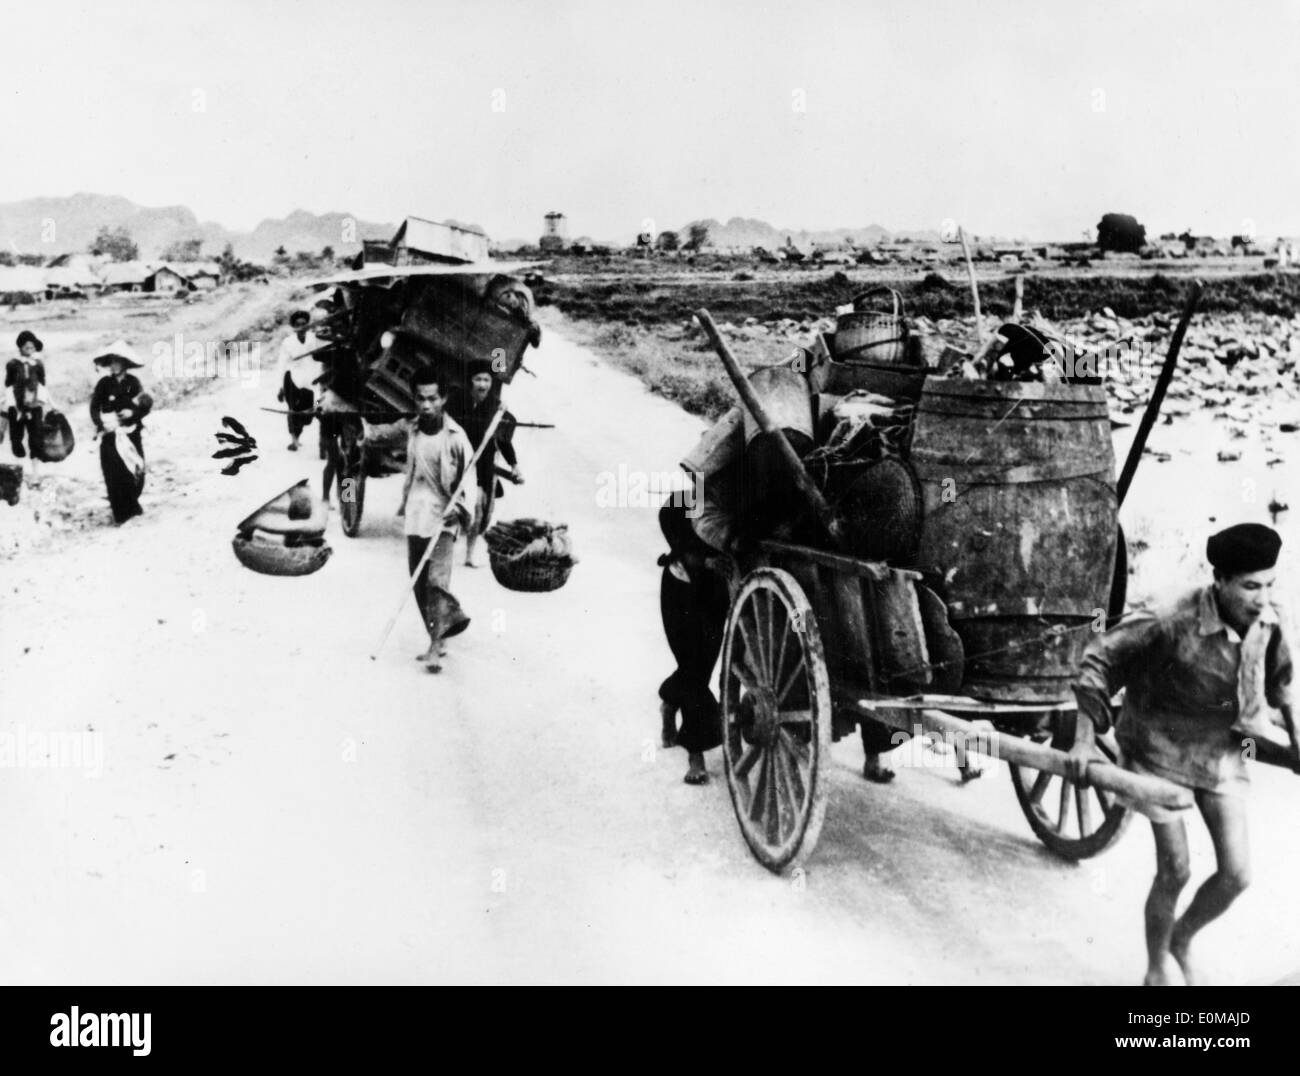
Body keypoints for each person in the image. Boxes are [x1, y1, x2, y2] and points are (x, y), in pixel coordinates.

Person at [1068, 522, 1297, 986]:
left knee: (1237, 874)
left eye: (1270, 584)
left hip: (1221, 748)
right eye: (1250, 586)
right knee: (1175, 868)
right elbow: (1099, 662)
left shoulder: (1271, 619)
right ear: (1220, 581)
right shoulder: (1170, 616)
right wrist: (1082, 742)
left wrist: (1296, 744)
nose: (1262, 597)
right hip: (1157, 745)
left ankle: (1182, 938)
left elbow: (1282, 684)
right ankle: (1156, 965)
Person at [396, 369, 474, 672]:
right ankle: (438, 632)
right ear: (414, 399)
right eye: (420, 398)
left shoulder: (456, 437)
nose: (426, 405)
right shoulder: (413, 430)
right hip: (416, 513)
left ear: (443, 398)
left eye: (432, 398)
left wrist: (462, 507)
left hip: (444, 516)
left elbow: (469, 478)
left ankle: (435, 646)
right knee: (418, 580)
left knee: (437, 582)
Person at [454, 361, 523, 567]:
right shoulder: (458, 401)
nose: (482, 385)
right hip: (460, 459)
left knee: (480, 511)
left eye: (486, 380)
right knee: (466, 505)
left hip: (482, 463)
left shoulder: (495, 407)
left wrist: (514, 466)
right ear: (470, 382)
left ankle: (469, 554)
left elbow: (503, 440)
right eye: (478, 379)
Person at [89, 341, 153, 525]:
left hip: (131, 433)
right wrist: (101, 424)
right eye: (112, 362)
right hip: (110, 434)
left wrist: (133, 413)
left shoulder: (133, 383)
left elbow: (145, 404)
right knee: (112, 473)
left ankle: (133, 505)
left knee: (134, 470)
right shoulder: (103, 383)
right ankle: (121, 514)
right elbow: (94, 407)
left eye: (118, 361)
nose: (114, 366)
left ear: (125, 363)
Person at [276, 311, 322, 452]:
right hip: (292, 379)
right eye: (298, 324)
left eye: (304, 324)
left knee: (307, 413)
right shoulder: (288, 342)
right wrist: (280, 387)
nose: (301, 327)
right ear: (294, 326)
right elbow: (282, 364)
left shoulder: (313, 339)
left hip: (309, 381)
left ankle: (298, 435)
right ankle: (294, 440)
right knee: (293, 411)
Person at [5, 331, 48, 470]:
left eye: (32, 348)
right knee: (16, 439)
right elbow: (8, 384)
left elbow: (42, 384)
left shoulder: (38, 364)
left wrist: (48, 403)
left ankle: (35, 473)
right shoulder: (13, 364)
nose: (29, 350)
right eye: (26, 347)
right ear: (20, 347)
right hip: (17, 407)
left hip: (35, 407)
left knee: (36, 439)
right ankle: (20, 471)